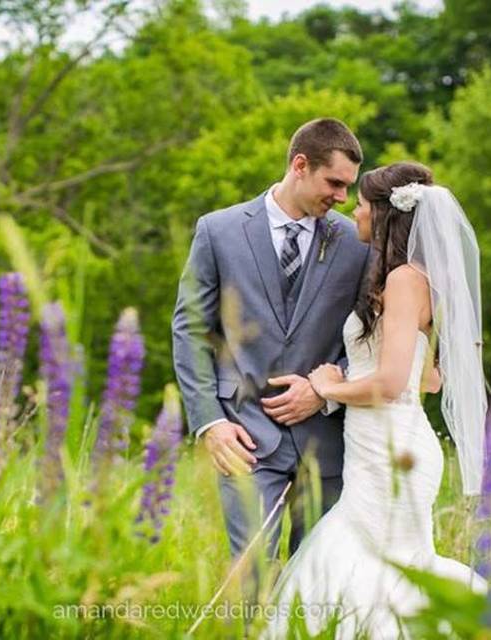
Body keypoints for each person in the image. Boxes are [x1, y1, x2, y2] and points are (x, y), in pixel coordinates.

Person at [262, 161, 488, 639]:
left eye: (362, 204)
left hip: (391, 453)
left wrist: (328, 387)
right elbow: (427, 380)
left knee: (372, 563)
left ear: (386, 214)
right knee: (383, 567)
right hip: (383, 445)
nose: (356, 212)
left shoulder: (405, 280)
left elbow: (389, 385)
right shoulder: (412, 280)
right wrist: (356, 375)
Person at [173, 118, 387, 569]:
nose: (343, 199)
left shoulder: (356, 243)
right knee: (248, 575)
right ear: (300, 165)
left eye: (349, 188)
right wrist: (209, 423)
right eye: (334, 183)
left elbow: (372, 335)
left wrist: (325, 390)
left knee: (318, 579)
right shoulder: (218, 231)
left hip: (327, 441)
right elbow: (191, 329)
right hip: (244, 436)